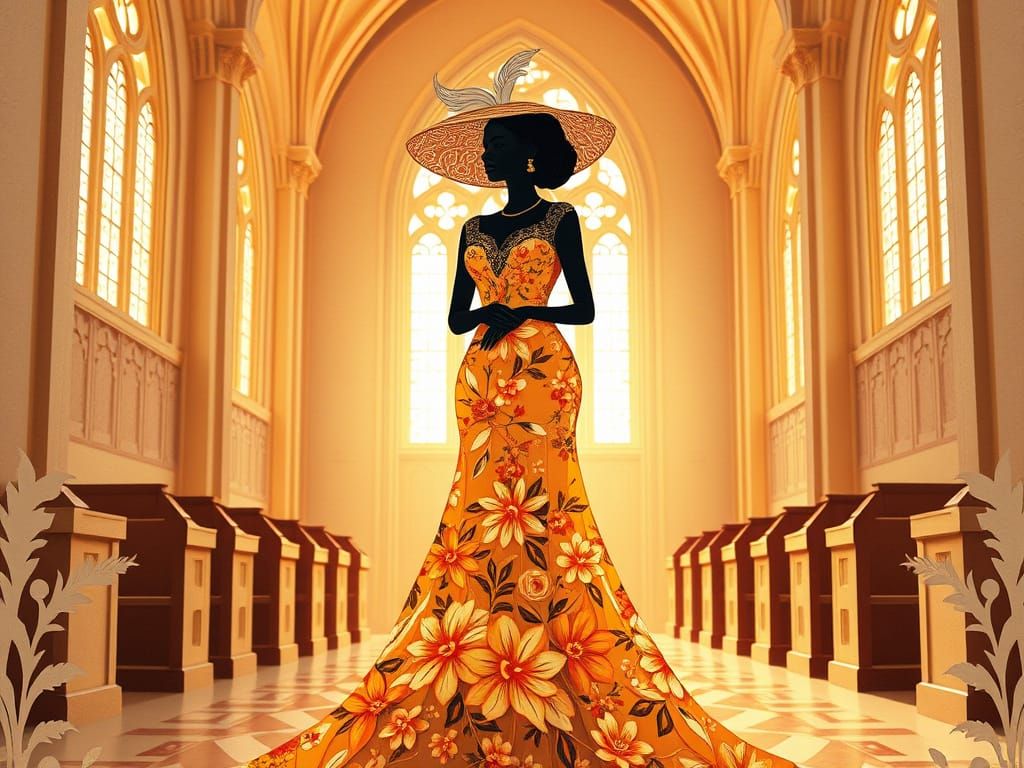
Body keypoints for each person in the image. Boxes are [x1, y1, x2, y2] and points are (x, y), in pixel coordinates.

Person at [245, 48, 796, 768]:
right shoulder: (471, 230)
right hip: (482, 377)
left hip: (543, 374)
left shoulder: (562, 217)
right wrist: (488, 313)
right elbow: (454, 318)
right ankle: (479, 670)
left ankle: (548, 655)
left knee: (545, 511)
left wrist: (522, 309)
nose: (487, 153)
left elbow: (585, 307)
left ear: (528, 154)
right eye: (485, 145)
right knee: (478, 515)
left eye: (497, 143)